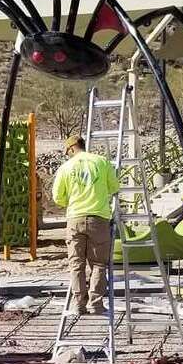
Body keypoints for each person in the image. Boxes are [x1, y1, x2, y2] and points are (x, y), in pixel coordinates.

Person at [51, 135, 121, 315]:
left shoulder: (66, 167)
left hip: (75, 218)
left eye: (68, 152)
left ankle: (79, 304)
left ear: (72, 148)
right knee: (99, 263)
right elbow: (114, 187)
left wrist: (73, 200)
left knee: (76, 263)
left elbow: (58, 197)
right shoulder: (102, 162)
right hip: (99, 218)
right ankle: (96, 303)